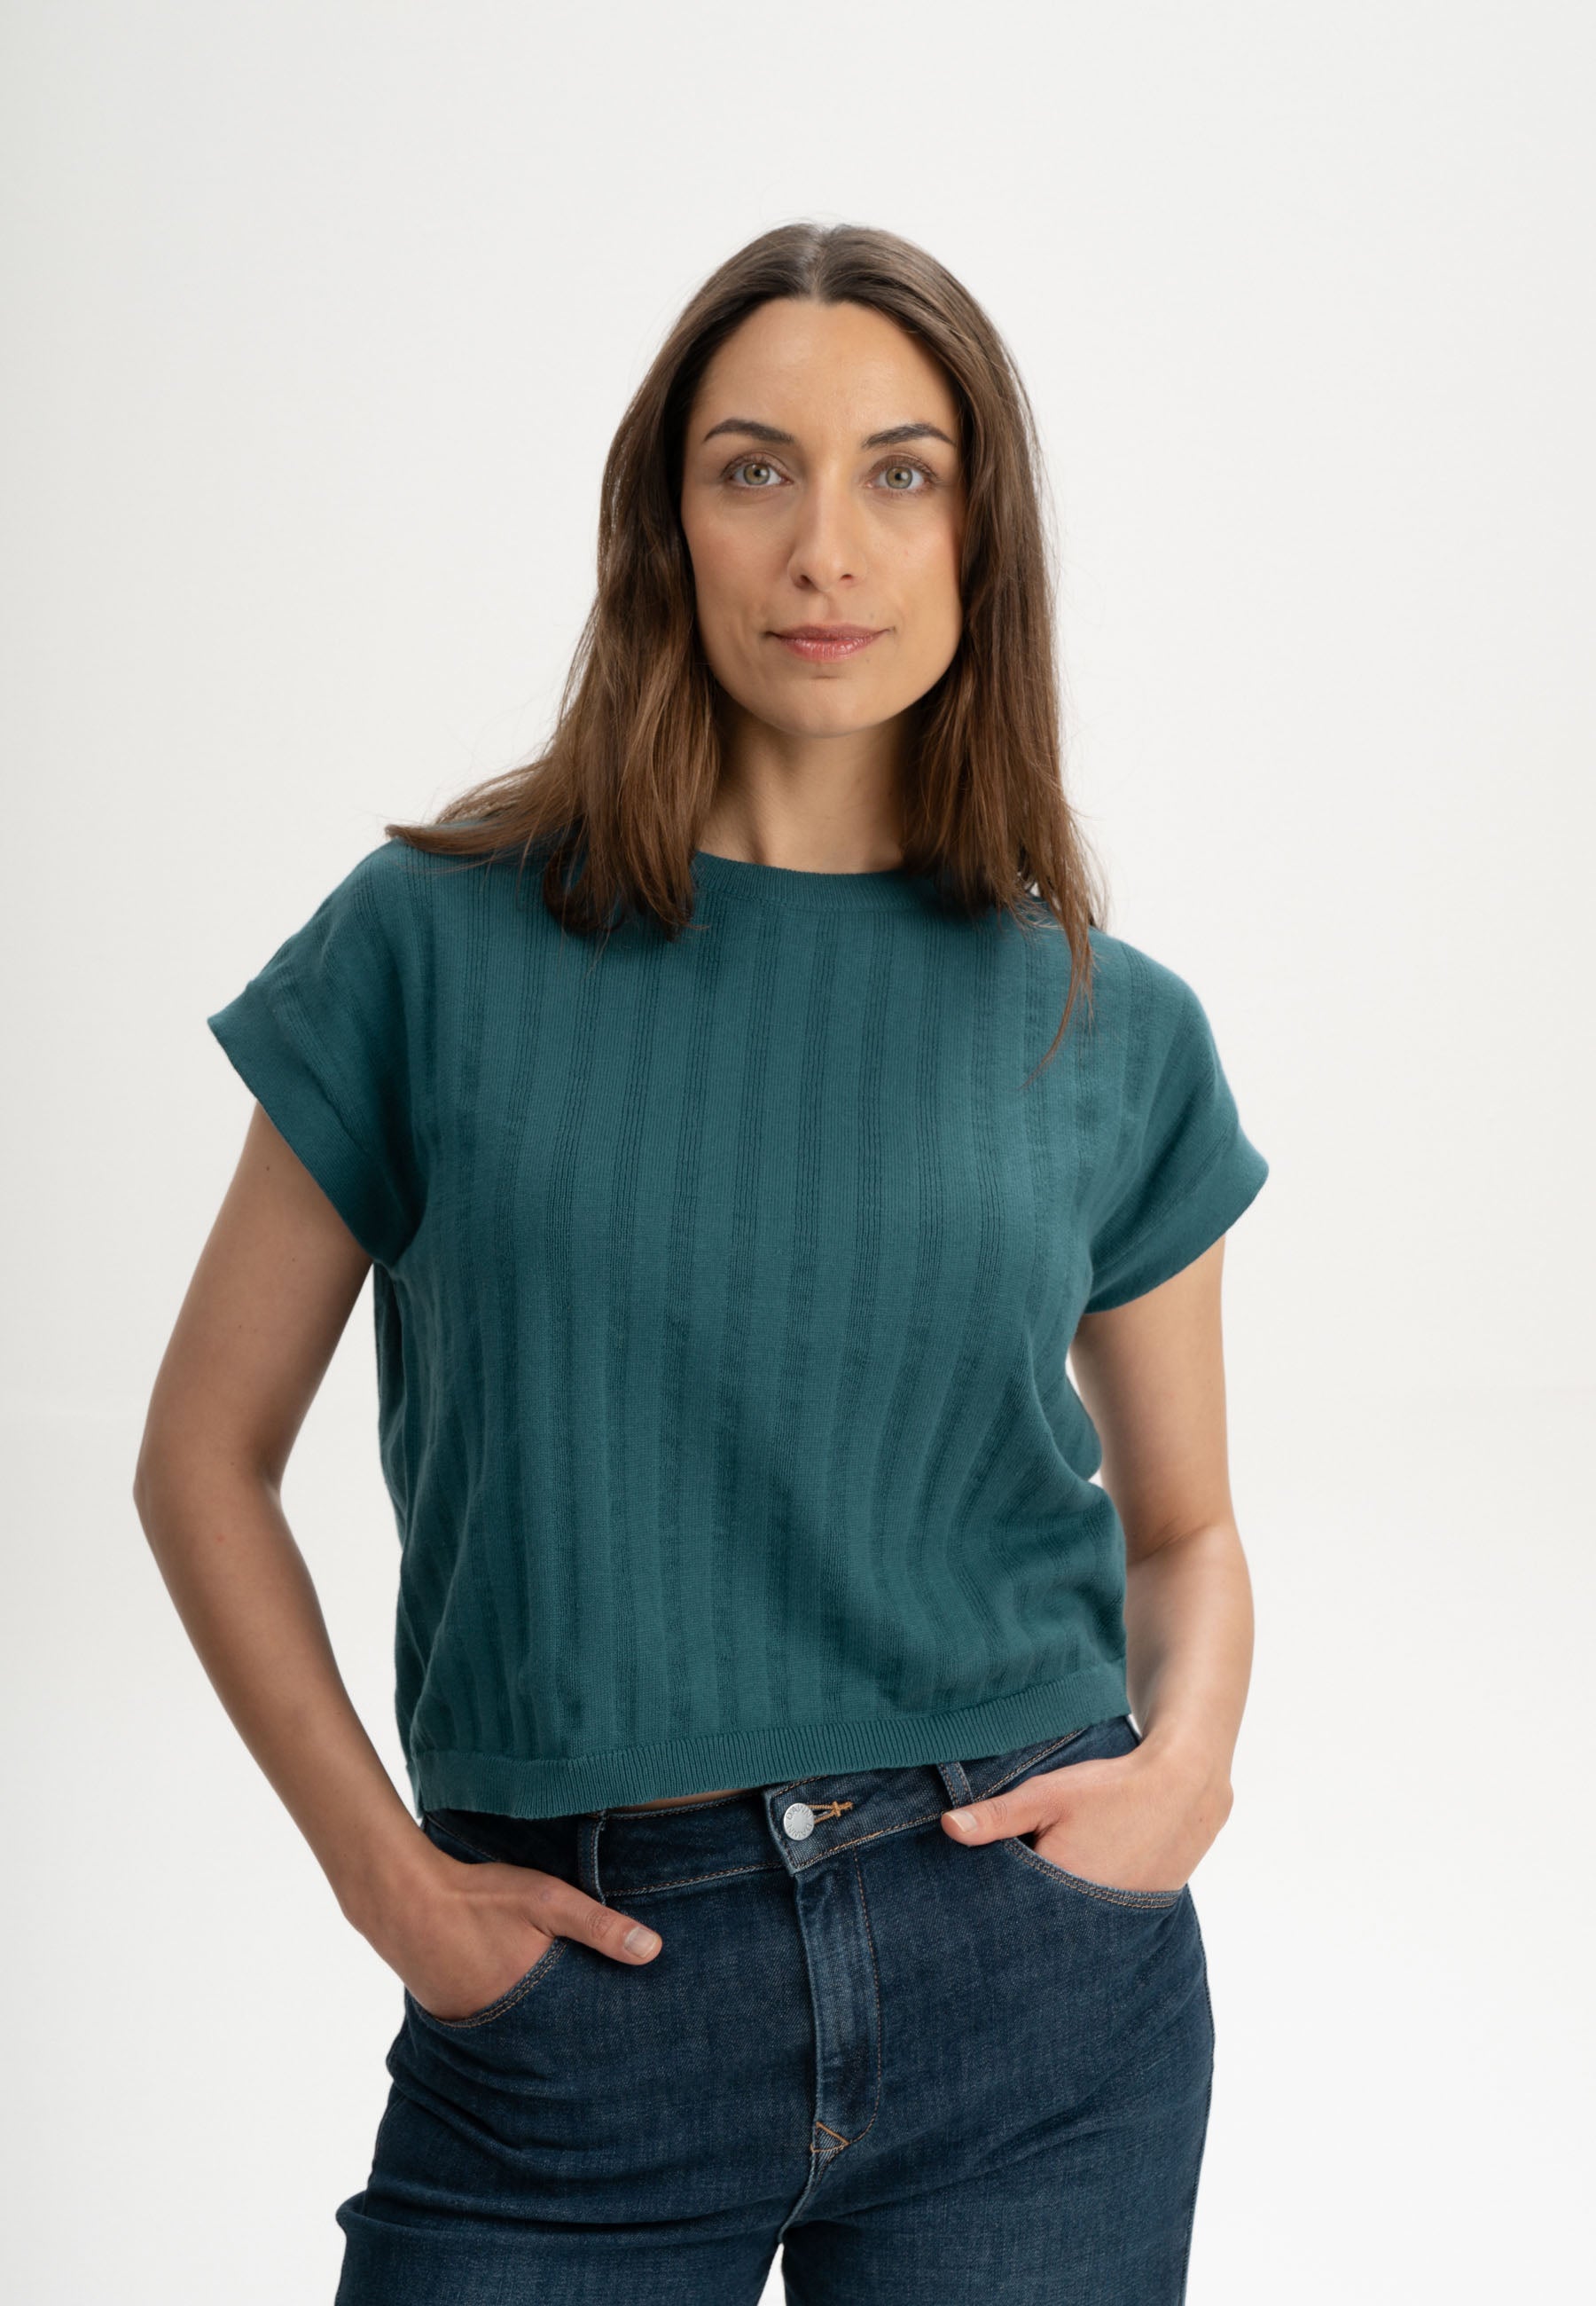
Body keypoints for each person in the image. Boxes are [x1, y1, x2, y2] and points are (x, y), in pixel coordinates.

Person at [134, 220, 1270, 2303]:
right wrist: (390, 1883)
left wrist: (1183, 1771)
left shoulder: (1111, 1023)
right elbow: (201, 1460)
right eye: (757, 469)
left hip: (1033, 1999)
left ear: (984, 537)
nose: (826, 547)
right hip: (573, 2006)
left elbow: (1185, 1531)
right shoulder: (428, 946)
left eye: (902, 473)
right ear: (665, 522)